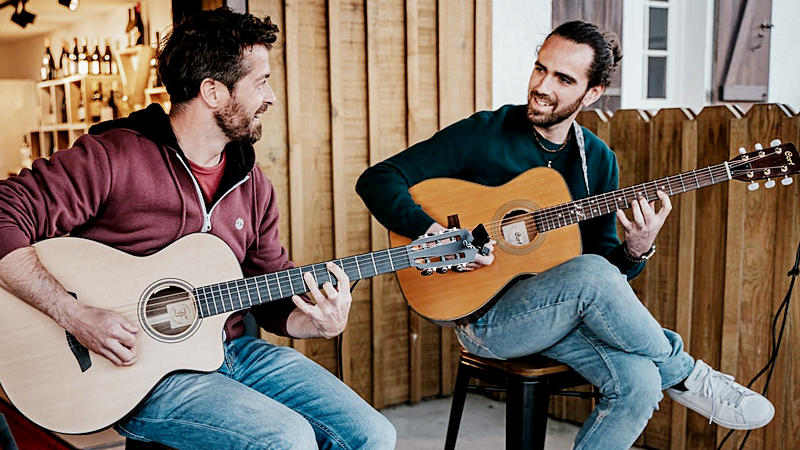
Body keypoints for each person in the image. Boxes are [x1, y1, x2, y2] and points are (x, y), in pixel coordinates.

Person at [356, 20, 773, 450]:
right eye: (541, 68)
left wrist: (636, 249)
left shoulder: (597, 160)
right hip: (485, 319)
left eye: (562, 78)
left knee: (641, 382)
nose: (541, 85)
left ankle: (668, 374)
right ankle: (686, 374)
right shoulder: (485, 133)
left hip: (560, 314)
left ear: (591, 94)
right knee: (593, 279)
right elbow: (379, 179)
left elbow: (605, 278)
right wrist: (434, 233)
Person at [0, 8, 395, 449]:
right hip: (137, 372)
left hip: (229, 352)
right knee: (285, 440)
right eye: (260, 81)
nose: (272, 96)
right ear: (213, 91)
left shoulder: (251, 181)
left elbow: (268, 283)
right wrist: (73, 314)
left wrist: (312, 321)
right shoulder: (113, 158)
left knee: (373, 434)